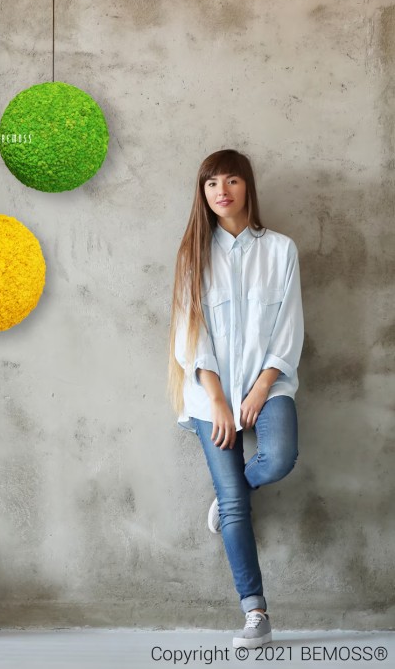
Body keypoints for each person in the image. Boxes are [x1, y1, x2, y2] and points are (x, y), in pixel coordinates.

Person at [167, 149, 304, 649]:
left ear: (248, 186)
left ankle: (231, 498)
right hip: (211, 394)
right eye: (210, 184)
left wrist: (262, 386)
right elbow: (191, 336)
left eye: (231, 180)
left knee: (280, 458)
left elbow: (289, 329)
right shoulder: (193, 254)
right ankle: (256, 613)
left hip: (271, 383)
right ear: (202, 194)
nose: (221, 190)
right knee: (234, 507)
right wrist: (220, 400)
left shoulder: (281, 250)